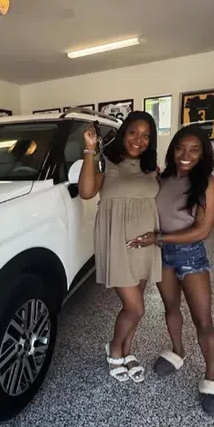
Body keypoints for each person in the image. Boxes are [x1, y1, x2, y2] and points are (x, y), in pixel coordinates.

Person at [128, 125, 214, 416]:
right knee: (170, 308)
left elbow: (203, 230)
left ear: (203, 153)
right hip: (162, 254)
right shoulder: (162, 178)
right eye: (181, 148)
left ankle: (211, 378)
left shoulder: (208, 183)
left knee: (203, 321)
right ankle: (177, 351)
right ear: (172, 151)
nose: (186, 155)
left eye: (194, 150)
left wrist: (159, 238)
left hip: (190, 254)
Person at [79, 112, 161, 383]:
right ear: (123, 133)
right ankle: (114, 348)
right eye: (133, 132)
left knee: (134, 306)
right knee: (136, 308)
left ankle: (128, 351)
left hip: (145, 245)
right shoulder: (107, 162)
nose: (139, 140)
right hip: (117, 243)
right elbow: (86, 192)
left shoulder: (152, 168)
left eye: (146, 135)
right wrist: (90, 149)